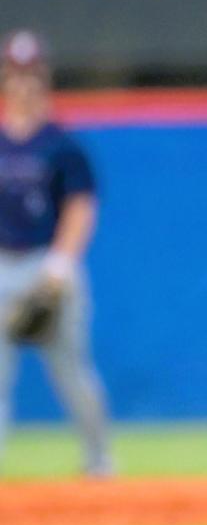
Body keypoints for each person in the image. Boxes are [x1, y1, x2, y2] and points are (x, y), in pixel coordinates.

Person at [0, 29, 113, 476]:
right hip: (3, 266)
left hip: (47, 265)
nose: (23, 82)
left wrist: (61, 262)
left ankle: (100, 463)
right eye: (15, 72)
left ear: (43, 78)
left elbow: (80, 204)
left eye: (31, 73)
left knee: (74, 376)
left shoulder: (61, 145)